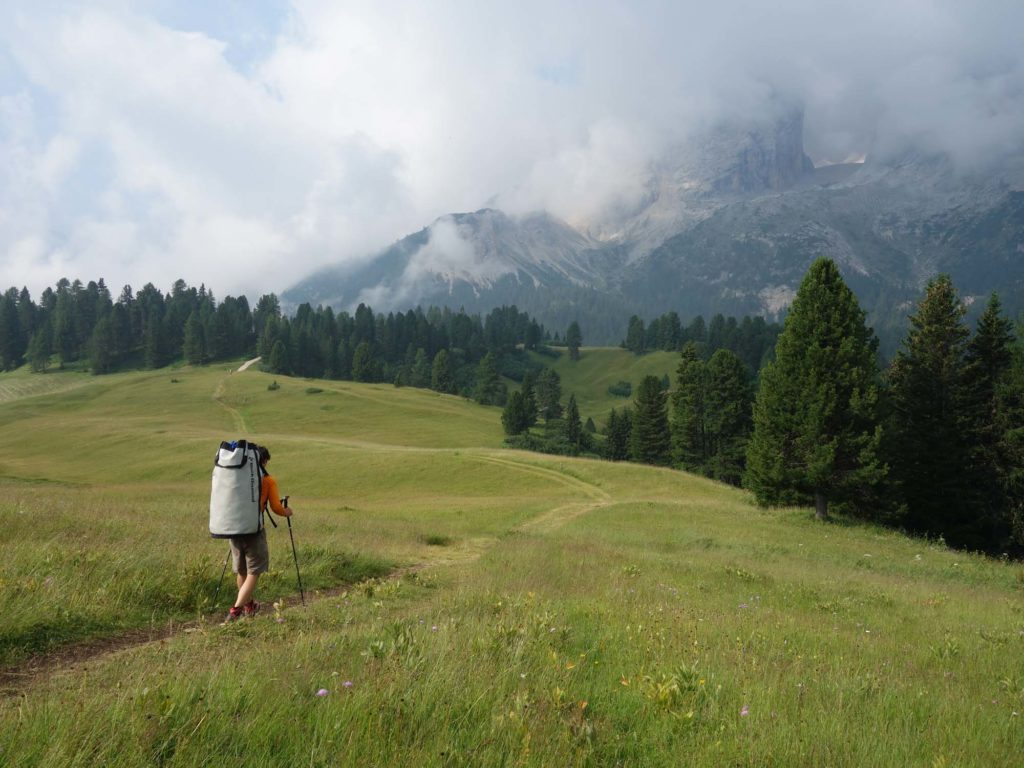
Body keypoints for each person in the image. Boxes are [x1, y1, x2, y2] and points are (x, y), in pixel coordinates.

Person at [224, 445, 293, 622]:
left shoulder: (237, 477)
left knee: (242, 572)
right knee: (254, 572)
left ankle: (249, 606)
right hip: (254, 530)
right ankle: (235, 610)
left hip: (233, 528)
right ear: (263, 461)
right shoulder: (268, 480)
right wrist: (287, 512)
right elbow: (276, 508)